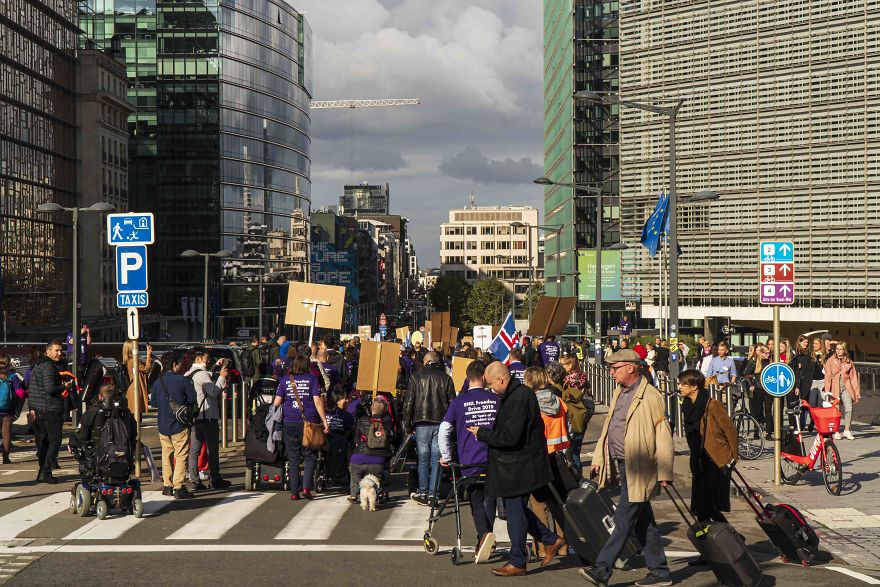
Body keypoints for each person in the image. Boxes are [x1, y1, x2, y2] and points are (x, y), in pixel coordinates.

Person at [580, 349, 673, 587]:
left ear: (631, 368)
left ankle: (602, 569)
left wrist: (665, 472)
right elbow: (610, 427)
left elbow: (663, 436)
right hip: (622, 464)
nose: (611, 372)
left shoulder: (650, 396)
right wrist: (600, 457)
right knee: (644, 522)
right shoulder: (618, 392)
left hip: (640, 468)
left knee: (623, 519)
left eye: (615, 368)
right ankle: (660, 572)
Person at [467, 362, 565, 577]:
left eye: (492, 384)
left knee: (515, 514)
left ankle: (518, 560)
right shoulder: (517, 394)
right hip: (519, 464)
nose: (491, 389)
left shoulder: (518, 398)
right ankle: (550, 539)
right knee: (517, 511)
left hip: (518, 466)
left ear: (501, 379)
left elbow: (510, 437)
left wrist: (482, 434)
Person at [439, 360, 500, 563]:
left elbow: (444, 430)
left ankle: (483, 535)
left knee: (476, 500)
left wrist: (447, 456)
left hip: (469, 459)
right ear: (484, 377)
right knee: (489, 500)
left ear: (467, 378)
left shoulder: (459, 402)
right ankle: (484, 537)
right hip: (493, 457)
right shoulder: (496, 399)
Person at [677, 370, 738, 566]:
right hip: (699, 460)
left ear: (693, 387)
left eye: (682, 384)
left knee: (708, 506)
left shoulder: (712, 404)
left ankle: (732, 540)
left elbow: (729, 429)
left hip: (715, 460)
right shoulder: (687, 406)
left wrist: (734, 457)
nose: (679, 387)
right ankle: (710, 550)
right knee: (701, 510)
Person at [402, 351, 455, 506]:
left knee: (423, 459)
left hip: (421, 422)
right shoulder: (445, 378)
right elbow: (452, 403)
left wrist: (406, 426)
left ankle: (423, 492)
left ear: (425, 361)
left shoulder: (415, 377)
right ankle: (434, 495)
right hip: (440, 422)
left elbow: (408, 403)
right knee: (437, 459)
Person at [274, 355, 329, 500]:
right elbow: (317, 401)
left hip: (289, 422)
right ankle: (306, 487)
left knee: (293, 458)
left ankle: (294, 492)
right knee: (309, 455)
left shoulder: (286, 380)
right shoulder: (312, 379)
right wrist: (324, 420)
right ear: (306, 366)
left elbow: (277, 402)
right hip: (308, 422)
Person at [152, 350, 197, 499]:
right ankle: (178, 487)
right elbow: (192, 399)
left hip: (163, 425)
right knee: (181, 454)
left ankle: (167, 485)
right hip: (179, 424)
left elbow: (153, 403)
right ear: (174, 364)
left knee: (166, 454)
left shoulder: (158, 382)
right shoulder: (183, 381)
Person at [185, 349, 231, 491]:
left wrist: (215, 368)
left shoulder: (188, 374)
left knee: (194, 451)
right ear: (199, 359)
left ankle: (194, 480)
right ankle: (215, 479)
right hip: (208, 416)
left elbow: (203, 383)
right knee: (213, 449)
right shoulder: (203, 374)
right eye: (206, 357)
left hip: (195, 417)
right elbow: (213, 392)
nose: (208, 360)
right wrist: (222, 377)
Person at [28, 340, 68, 484]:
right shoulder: (48, 366)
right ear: (48, 351)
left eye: (60, 350)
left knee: (43, 442)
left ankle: (43, 471)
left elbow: (31, 387)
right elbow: (51, 388)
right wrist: (64, 386)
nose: (59, 353)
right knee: (54, 441)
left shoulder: (37, 365)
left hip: (39, 409)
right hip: (49, 409)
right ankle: (45, 470)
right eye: (56, 350)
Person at [69, 382, 137, 465]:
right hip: (124, 457)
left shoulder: (92, 411)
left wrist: (72, 442)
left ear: (99, 397)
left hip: (98, 458)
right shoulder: (125, 411)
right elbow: (134, 432)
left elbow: (81, 435)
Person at [348, 395, 393, 504]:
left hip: (358, 458)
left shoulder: (362, 420)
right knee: (377, 478)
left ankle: (354, 494)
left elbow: (356, 440)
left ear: (371, 408)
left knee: (355, 476)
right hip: (377, 461)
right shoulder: (386, 423)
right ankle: (378, 492)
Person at [557, 356, 591, 470]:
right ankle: (577, 475)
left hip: (573, 416)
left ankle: (576, 477)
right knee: (576, 449)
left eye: (562, 365)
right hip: (582, 415)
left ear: (570, 365)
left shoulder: (570, 379)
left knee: (572, 450)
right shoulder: (582, 376)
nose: (560, 367)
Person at [824, 341, 860, 440]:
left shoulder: (848, 361)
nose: (838, 351)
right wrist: (827, 391)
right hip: (835, 387)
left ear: (844, 350)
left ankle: (847, 430)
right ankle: (836, 431)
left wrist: (856, 392)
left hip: (846, 387)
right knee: (836, 410)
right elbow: (827, 376)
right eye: (837, 349)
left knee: (849, 408)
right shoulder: (831, 360)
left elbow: (853, 378)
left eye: (840, 349)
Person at [0, 356, 26, 465]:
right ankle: (5, 457)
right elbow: (20, 393)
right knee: (6, 433)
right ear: (9, 364)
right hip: (8, 410)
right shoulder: (12, 376)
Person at [742, 344, 772, 437]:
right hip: (758, 389)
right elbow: (745, 374)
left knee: (768, 411)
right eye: (766, 353)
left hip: (768, 390)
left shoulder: (770, 363)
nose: (768, 355)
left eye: (769, 353)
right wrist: (752, 383)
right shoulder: (755, 363)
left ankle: (769, 432)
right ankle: (756, 430)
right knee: (757, 411)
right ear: (761, 353)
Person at [122, 340, 153, 415]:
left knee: (135, 415)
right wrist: (149, 355)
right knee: (137, 416)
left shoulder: (128, 360)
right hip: (136, 388)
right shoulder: (134, 361)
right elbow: (147, 368)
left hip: (133, 388)